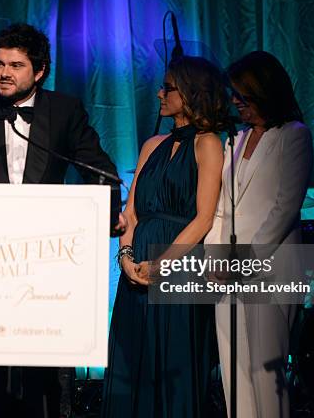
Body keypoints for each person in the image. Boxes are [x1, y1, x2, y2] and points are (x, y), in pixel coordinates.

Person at [0, 23, 124, 418]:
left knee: (43, 379)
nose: (4, 73)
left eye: (15, 64)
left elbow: (101, 171)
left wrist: (110, 211)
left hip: (44, 267)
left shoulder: (65, 110)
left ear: (40, 70)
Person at [102, 55, 229, 417]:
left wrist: (161, 265)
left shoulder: (208, 144)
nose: (159, 93)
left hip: (179, 267)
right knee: (132, 361)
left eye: (168, 87)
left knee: (174, 367)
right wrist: (126, 259)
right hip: (138, 268)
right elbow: (132, 213)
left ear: (190, 94)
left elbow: (203, 218)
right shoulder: (151, 145)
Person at [204, 51, 314, 418]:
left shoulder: (293, 136)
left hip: (269, 270)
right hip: (228, 274)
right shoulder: (235, 140)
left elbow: (284, 209)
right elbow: (221, 206)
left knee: (265, 373)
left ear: (264, 92)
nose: (236, 102)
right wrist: (215, 258)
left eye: (243, 95)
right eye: (233, 94)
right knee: (233, 373)